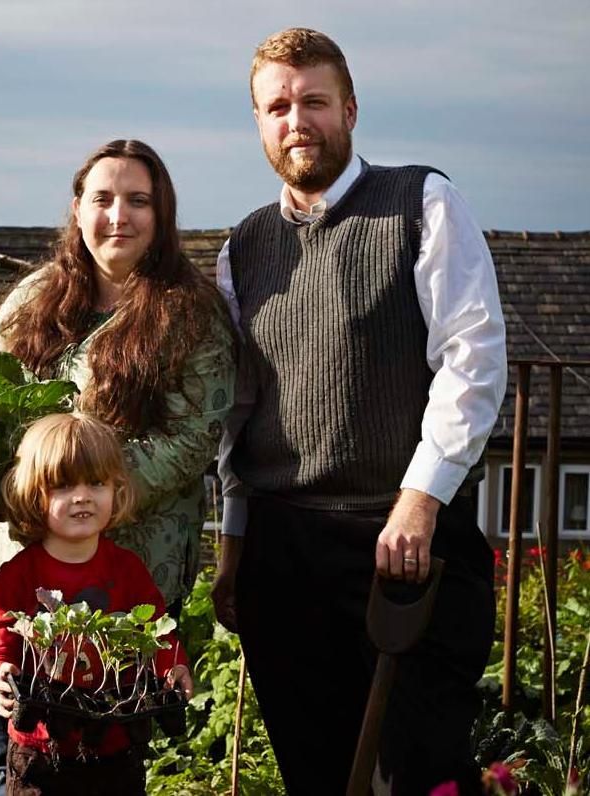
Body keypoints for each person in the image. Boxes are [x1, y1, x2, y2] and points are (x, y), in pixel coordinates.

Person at [212, 28, 507, 795]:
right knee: (316, 773)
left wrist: (419, 500)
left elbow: (472, 361)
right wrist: (235, 544)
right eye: (277, 106)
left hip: (404, 538)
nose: (296, 120)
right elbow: (240, 411)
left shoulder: (422, 203)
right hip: (284, 548)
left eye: (314, 101)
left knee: (422, 771)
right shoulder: (241, 249)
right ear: (258, 122)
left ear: (349, 109)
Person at [0, 139, 235, 794]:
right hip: (17, 567)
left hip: (126, 577)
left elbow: (192, 436)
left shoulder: (190, 313)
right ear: (77, 209)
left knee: (105, 763)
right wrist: (31, 502)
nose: (119, 216)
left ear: (162, 214)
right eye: (104, 199)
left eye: (138, 201)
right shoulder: (32, 302)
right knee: (17, 757)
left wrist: (89, 499)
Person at [0, 412, 193, 795]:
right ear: (34, 495)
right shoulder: (17, 576)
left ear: (116, 489)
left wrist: (173, 664)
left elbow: (158, 629)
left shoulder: (127, 570)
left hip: (113, 744)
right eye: (63, 486)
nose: (82, 496)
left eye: (96, 483)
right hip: (39, 750)